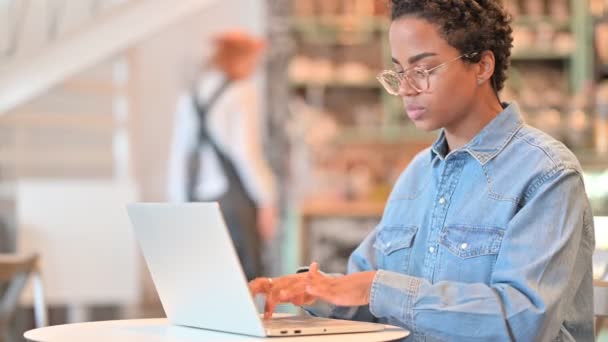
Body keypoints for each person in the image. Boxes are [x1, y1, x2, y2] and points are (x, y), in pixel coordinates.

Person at [249, 1, 595, 340]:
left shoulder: (546, 174)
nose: (405, 89)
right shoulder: (416, 175)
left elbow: (522, 323)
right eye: (399, 72)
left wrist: (377, 289)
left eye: (423, 69)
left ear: (482, 66)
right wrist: (319, 291)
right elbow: (369, 295)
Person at [168, 31, 276, 280]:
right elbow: (246, 153)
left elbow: (179, 153)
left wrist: (176, 203)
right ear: (238, 59)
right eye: (252, 61)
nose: (254, 68)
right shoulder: (242, 92)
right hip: (232, 202)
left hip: (195, 199)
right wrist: (267, 200)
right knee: (242, 279)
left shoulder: (192, 93)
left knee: (204, 275)